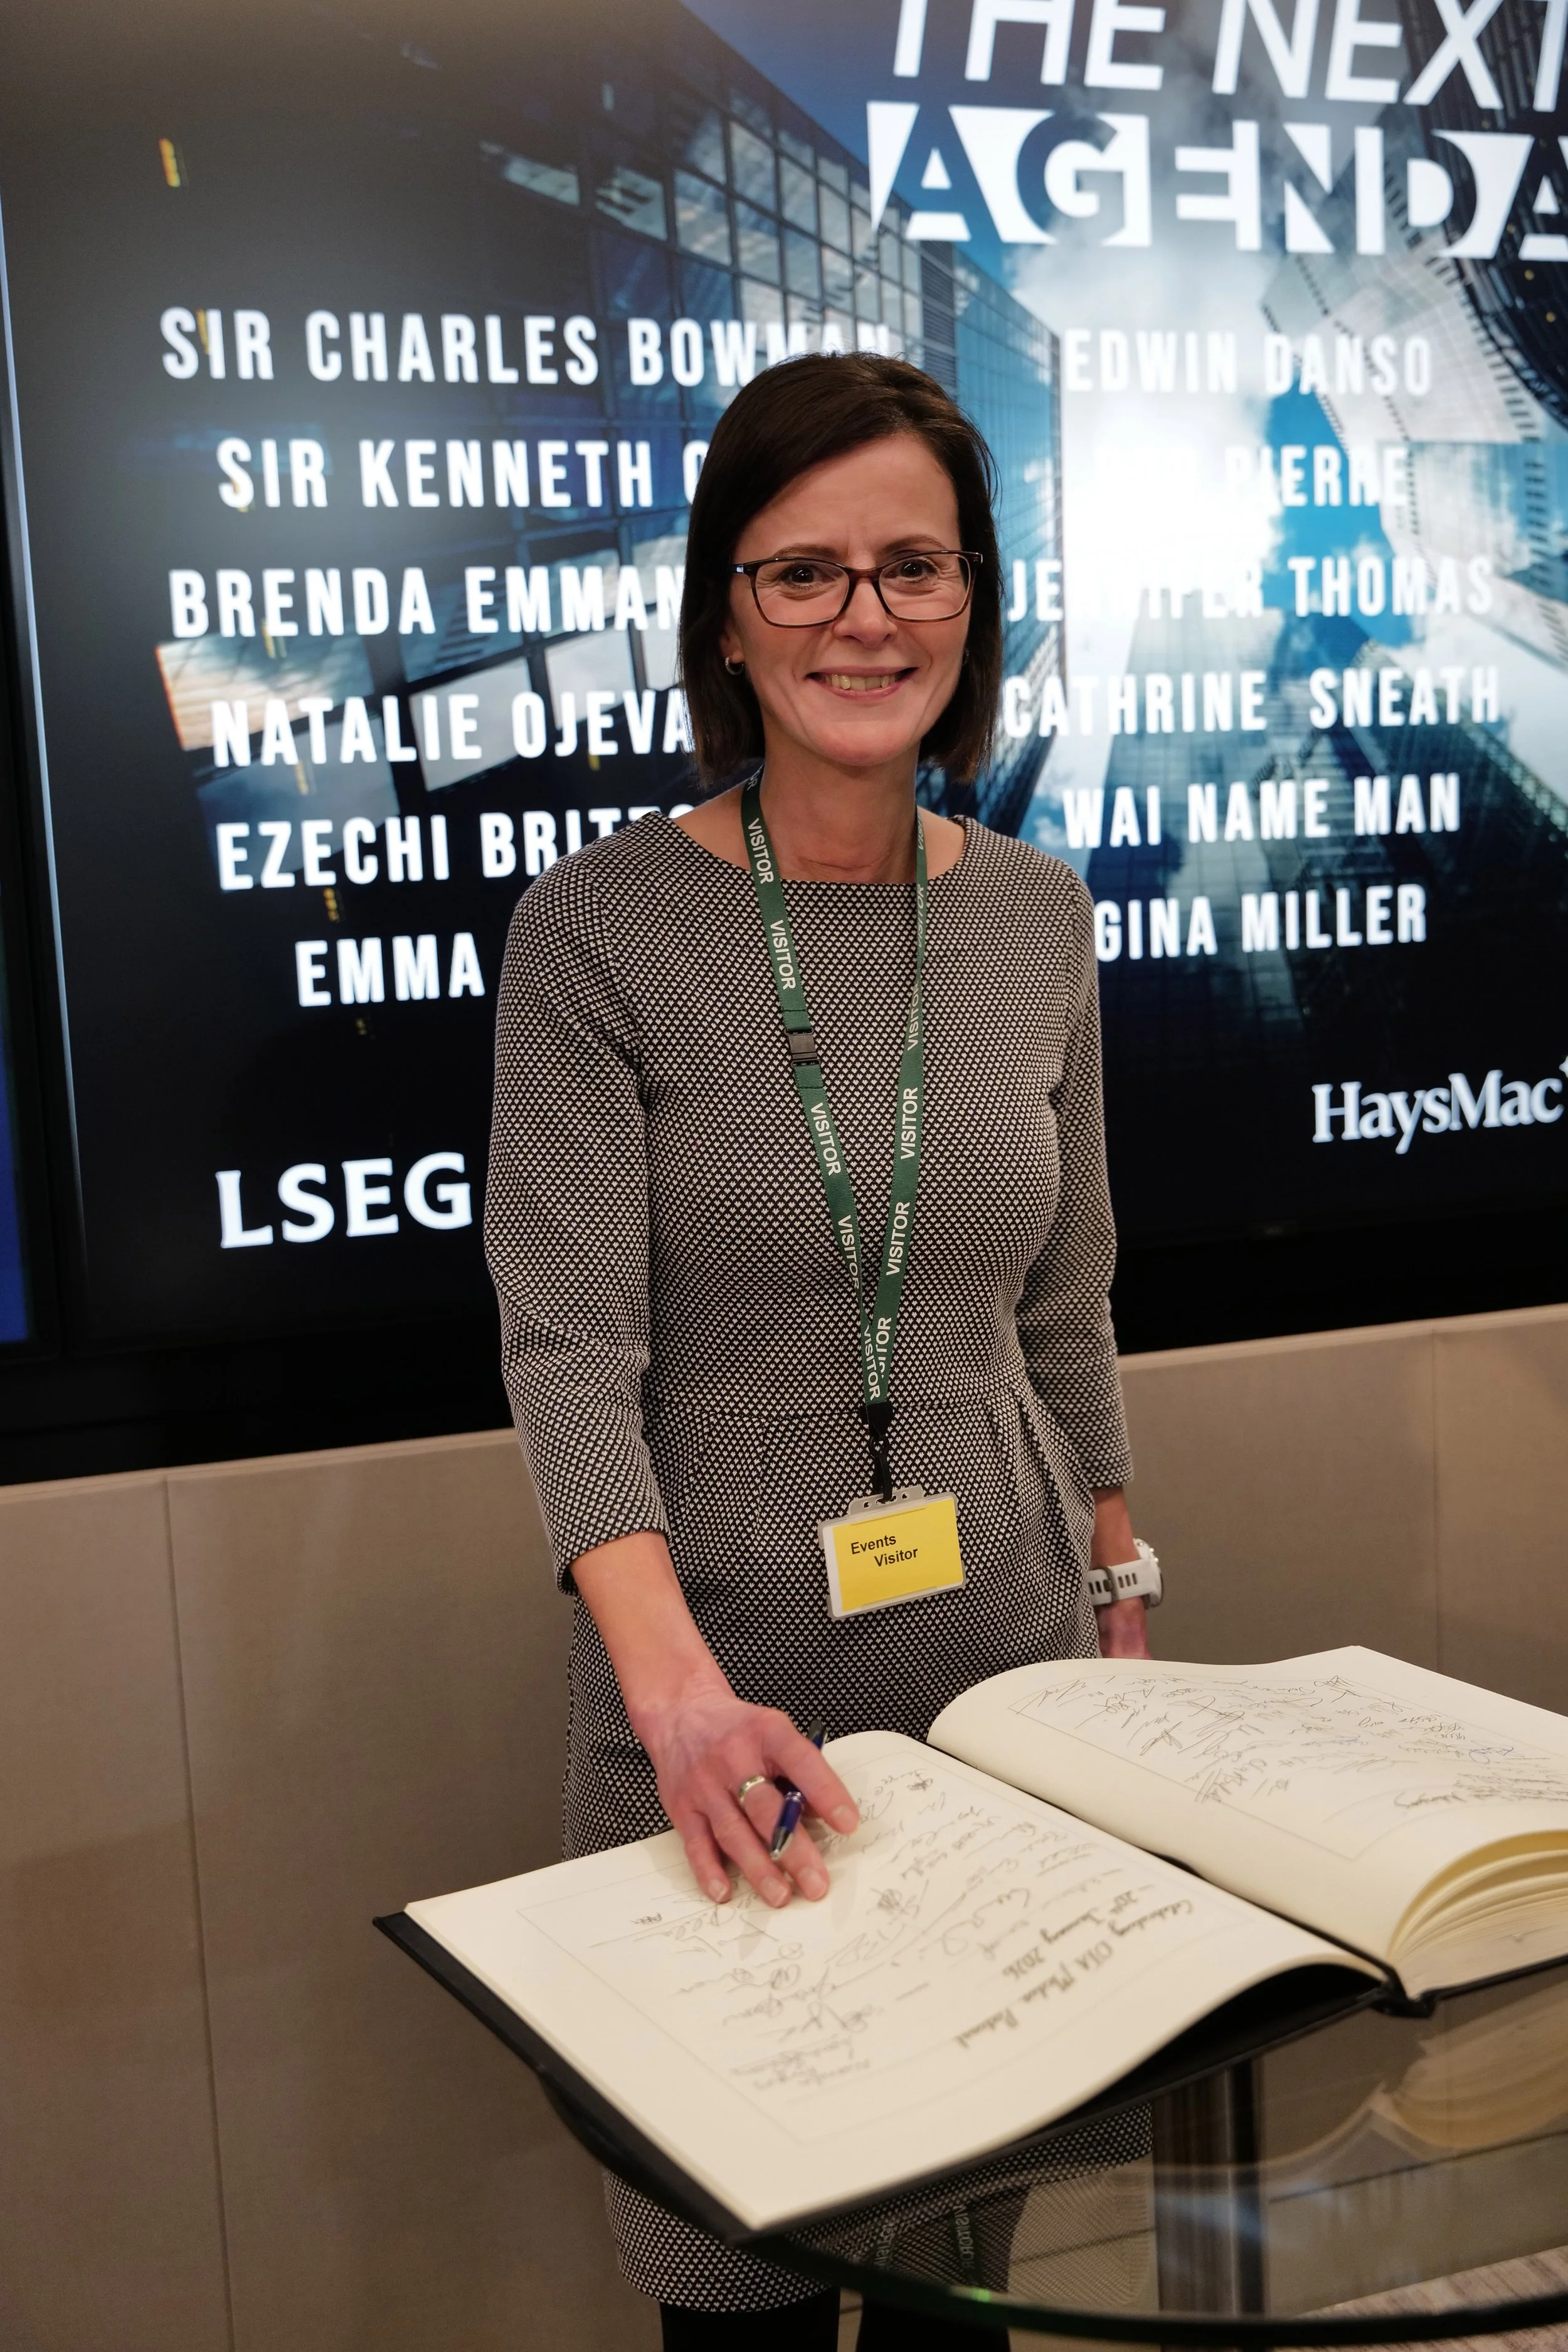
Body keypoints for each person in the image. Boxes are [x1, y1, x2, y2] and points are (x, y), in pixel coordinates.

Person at [486, 352, 1153, 2347]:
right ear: (724, 612)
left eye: (911, 567)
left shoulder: (1037, 915)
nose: (864, 617)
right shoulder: (598, 927)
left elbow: (1066, 1297)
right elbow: (565, 1339)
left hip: (1002, 1683)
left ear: (972, 601)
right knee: (744, 2276)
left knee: (968, 2264)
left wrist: (1119, 1602)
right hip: (723, 1708)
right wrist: (677, 1704)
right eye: (804, 573)